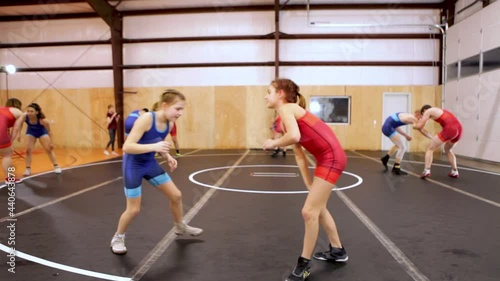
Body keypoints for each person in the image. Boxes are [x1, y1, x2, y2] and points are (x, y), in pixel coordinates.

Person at [262, 79, 347, 281]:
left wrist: (273, 143)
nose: (266, 96)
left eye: (269, 92)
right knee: (318, 207)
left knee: (309, 212)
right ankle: (338, 251)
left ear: (280, 94)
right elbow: (299, 154)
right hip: (326, 159)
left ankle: (304, 265)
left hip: (331, 159)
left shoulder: (288, 109)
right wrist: (309, 184)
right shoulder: (286, 117)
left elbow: (294, 136)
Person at [110, 89, 203, 255]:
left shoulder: (170, 123)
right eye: (178, 109)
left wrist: (167, 156)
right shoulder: (146, 119)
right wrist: (155, 147)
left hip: (149, 163)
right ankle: (118, 237)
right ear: (164, 105)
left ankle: (179, 226)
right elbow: (127, 147)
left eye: (182, 109)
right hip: (133, 165)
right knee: (134, 209)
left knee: (176, 196)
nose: (180, 113)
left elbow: (157, 141)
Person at [414, 105, 462, 179]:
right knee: (448, 149)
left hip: (450, 129)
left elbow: (420, 126)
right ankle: (455, 171)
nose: (424, 116)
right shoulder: (440, 110)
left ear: (424, 111)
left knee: (430, 149)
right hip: (459, 129)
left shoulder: (428, 111)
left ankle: (427, 170)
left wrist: (414, 125)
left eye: (423, 115)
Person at [19, 103, 62, 176]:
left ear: (37, 112)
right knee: (28, 150)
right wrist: (18, 134)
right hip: (31, 132)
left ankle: (56, 166)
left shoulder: (43, 121)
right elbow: (20, 124)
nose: (29, 113)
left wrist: (51, 143)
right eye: (28, 111)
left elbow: (49, 132)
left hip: (42, 132)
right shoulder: (25, 117)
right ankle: (27, 169)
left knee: (49, 149)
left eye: (31, 111)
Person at [1, 98, 25, 183]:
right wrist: (10, 141)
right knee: (7, 154)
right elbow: (16, 129)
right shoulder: (19, 112)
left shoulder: (1, 108)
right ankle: (10, 179)